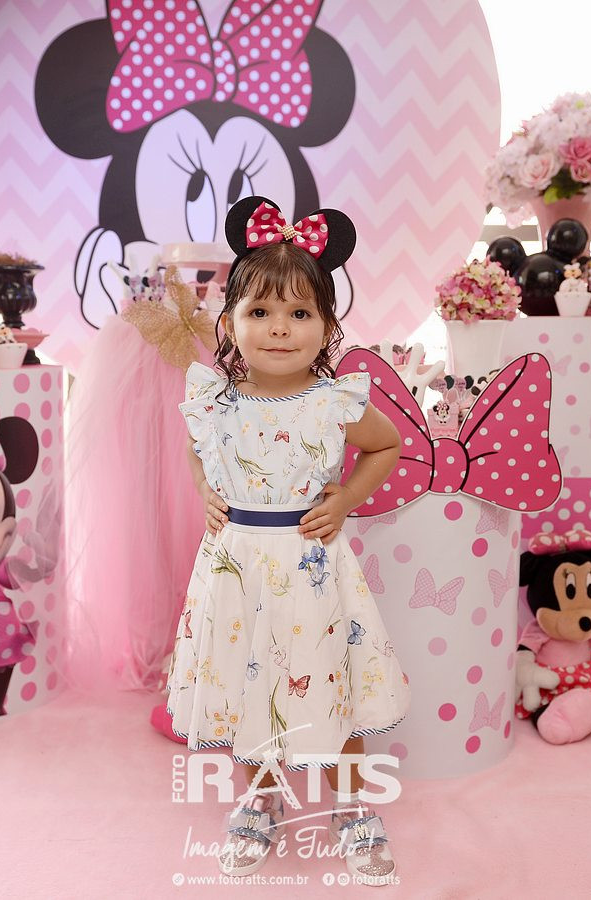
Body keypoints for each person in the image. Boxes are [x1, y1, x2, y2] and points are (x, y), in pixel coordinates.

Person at [164, 196, 411, 885]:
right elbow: (197, 449)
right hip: (236, 568)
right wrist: (207, 491)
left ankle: (351, 805)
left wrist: (345, 500)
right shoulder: (215, 400)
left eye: (300, 314)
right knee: (250, 686)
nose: (279, 328)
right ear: (230, 323)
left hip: (310, 569)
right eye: (261, 312)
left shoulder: (333, 402)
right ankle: (262, 798)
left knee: (332, 686)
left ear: (327, 326)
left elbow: (387, 446)